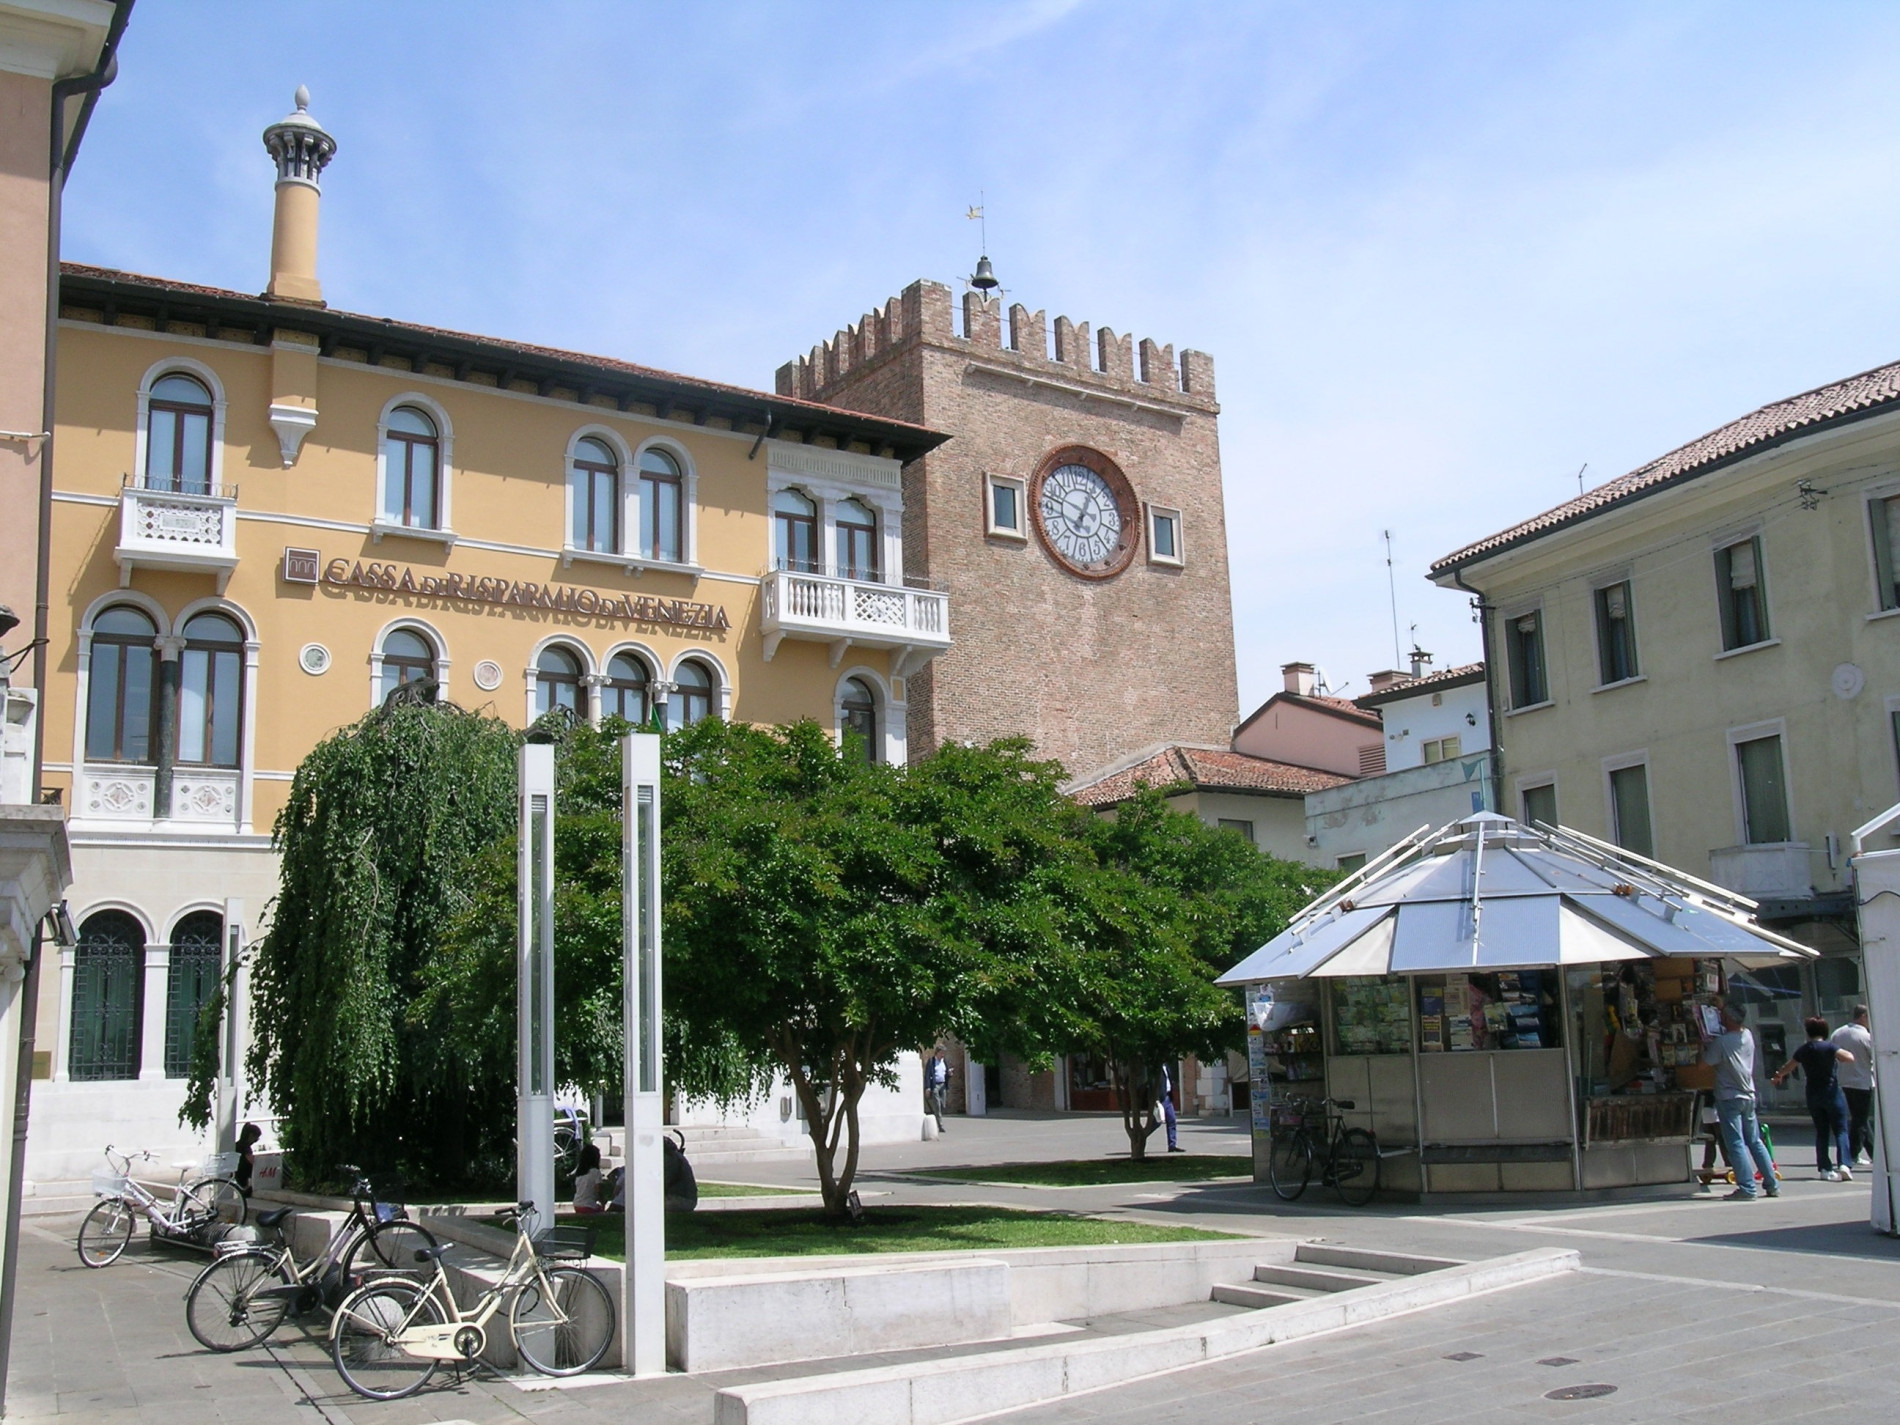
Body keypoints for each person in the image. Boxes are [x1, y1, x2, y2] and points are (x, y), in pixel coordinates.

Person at [1702, 1005, 1778, 1200]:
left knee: (1735, 1142)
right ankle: (1772, 1184)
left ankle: (1747, 1187)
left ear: (1729, 1018)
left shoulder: (1721, 1042)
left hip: (1729, 1096)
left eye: (1723, 1015)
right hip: (1748, 1094)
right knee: (1754, 1140)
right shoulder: (1748, 1035)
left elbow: (1705, 1063)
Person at [1772, 1015, 1856, 1181]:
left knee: (1822, 1131)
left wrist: (1778, 1075)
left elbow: (1789, 1066)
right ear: (1825, 1031)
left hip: (1813, 1094)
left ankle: (1825, 1168)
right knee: (1841, 1129)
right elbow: (1849, 1057)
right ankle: (1844, 1164)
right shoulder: (1830, 1047)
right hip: (1832, 1093)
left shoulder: (1804, 1049)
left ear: (1808, 1032)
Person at [1834, 1005, 1876, 1168]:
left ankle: (1873, 1152)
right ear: (1863, 1016)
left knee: (1860, 1117)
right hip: (1862, 1081)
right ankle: (1852, 1154)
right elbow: (1874, 1057)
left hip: (1844, 1080)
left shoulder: (1838, 1033)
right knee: (1860, 1119)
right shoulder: (1865, 1036)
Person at [571, 1142, 605, 1214]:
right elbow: (598, 1189)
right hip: (589, 1205)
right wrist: (603, 1200)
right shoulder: (596, 1172)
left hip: (577, 1204)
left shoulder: (580, 1173)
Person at [233, 1122, 263, 1198]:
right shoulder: (245, 1147)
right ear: (251, 1135)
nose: (255, 1141)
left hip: (238, 1174)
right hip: (244, 1175)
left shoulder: (238, 1144)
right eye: (256, 1138)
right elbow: (252, 1161)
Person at [1159, 1064, 1182, 1152]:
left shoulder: (1167, 1066)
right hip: (1161, 1098)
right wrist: (1156, 1099)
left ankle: (1172, 1145)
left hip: (1168, 1096)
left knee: (1172, 1120)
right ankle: (1141, 1138)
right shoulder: (1155, 1068)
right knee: (1156, 1122)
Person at [926, 1048, 949, 1133]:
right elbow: (927, 1075)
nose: (943, 1055)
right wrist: (928, 1087)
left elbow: (946, 1073)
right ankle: (940, 1125)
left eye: (944, 1053)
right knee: (937, 1105)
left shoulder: (944, 1061)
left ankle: (936, 1116)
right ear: (937, 1053)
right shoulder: (932, 1061)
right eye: (941, 1053)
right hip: (935, 1085)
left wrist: (949, 1074)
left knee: (943, 1104)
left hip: (943, 1085)